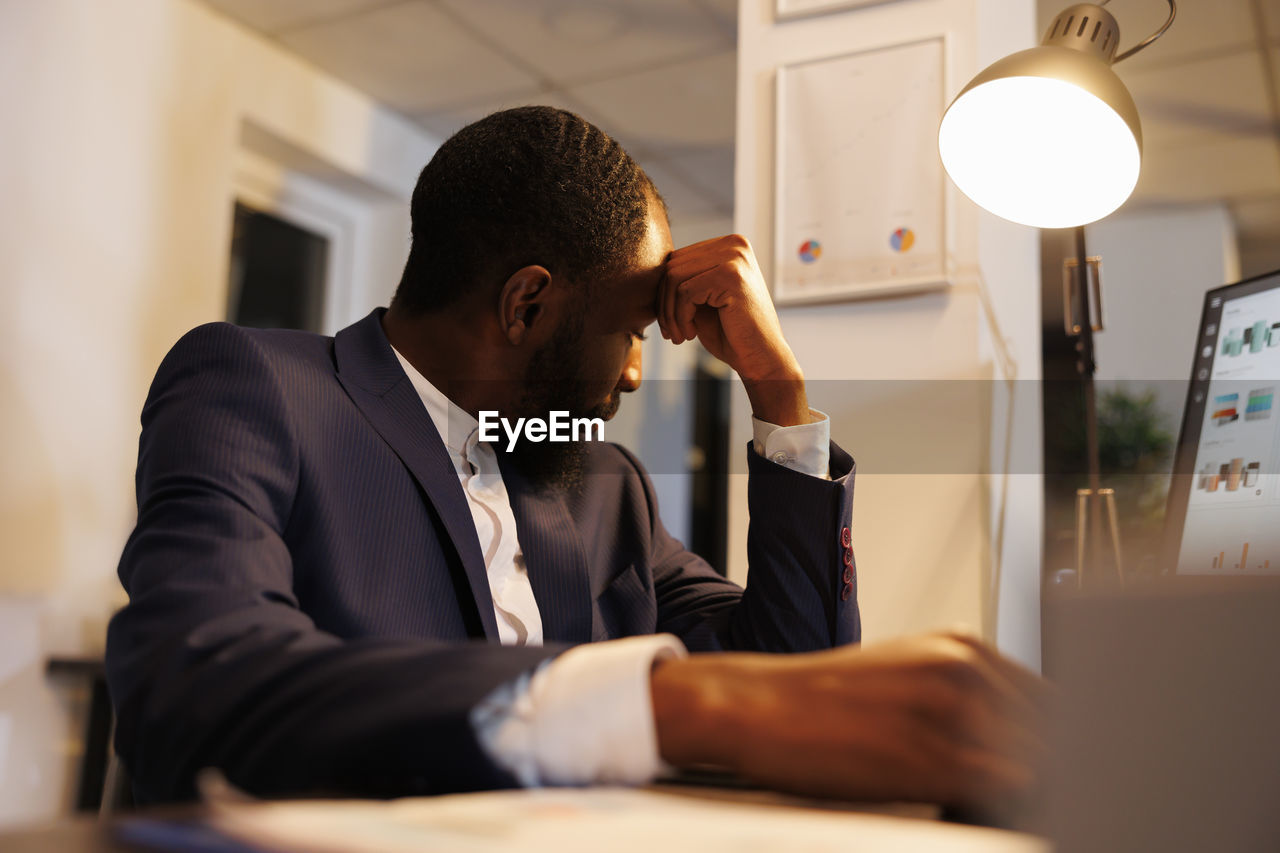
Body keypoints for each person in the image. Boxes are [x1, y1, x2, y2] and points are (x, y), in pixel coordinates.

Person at [106, 106, 1043, 809]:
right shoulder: (261, 385)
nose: (639, 371)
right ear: (527, 305)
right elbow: (196, 684)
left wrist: (780, 395)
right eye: (633, 331)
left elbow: (796, 675)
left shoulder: (600, 483)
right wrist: (673, 704)